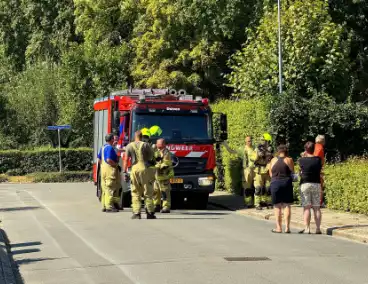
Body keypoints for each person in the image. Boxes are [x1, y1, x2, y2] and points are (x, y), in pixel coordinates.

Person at [123, 130, 156, 219]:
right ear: (141, 136)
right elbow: (152, 156)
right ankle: (150, 212)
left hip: (134, 169)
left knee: (135, 191)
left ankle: (137, 213)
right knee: (147, 190)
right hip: (144, 168)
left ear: (135, 136)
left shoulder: (129, 146)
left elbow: (125, 159)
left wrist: (124, 172)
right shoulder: (145, 145)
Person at [269, 144, 294, 233]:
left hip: (275, 183)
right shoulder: (289, 160)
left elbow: (271, 174)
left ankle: (279, 228)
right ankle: (287, 227)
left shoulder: (273, 160)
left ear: (278, 151)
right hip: (286, 183)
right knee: (287, 205)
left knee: (277, 206)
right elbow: (292, 172)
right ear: (286, 151)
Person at [299, 142, 323, 234]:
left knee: (306, 207)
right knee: (317, 207)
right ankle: (317, 228)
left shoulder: (302, 160)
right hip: (316, 183)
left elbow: (301, 170)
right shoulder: (318, 159)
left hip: (305, 183)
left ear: (305, 150)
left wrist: (303, 156)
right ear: (314, 149)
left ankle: (307, 228)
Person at [97, 133, 121, 213]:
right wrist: (115, 165)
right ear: (111, 140)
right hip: (109, 170)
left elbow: (99, 159)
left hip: (103, 169)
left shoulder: (103, 147)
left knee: (104, 188)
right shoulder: (110, 148)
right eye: (113, 139)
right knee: (110, 188)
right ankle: (109, 207)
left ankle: (104, 206)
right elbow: (108, 160)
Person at [252, 134, 273, 210]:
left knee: (268, 188)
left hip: (267, 170)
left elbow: (273, 159)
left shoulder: (270, 149)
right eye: (262, 140)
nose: (263, 142)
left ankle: (267, 202)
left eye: (265, 140)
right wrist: (258, 155)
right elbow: (253, 159)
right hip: (259, 170)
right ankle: (257, 204)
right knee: (258, 188)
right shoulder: (256, 149)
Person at [153, 138, 174, 213]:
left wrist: (156, 166)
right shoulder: (156, 151)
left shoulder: (166, 153)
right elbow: (153, 159)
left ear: (163, 144)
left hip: (164, 176)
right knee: (155, 191)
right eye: (157, 143)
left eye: (159, 143)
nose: (157, 144)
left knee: (165, 192)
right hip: (156, 176)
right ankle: (156, 205)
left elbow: (166, 164)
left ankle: (166, 207)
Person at [242, 136, 256, 208]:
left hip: (255, 169)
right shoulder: (244, 149)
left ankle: (255, 202)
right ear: (245, 142)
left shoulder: (254, 148)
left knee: (256, 187)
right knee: (247, 187)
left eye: (250, 141)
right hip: (247, 170)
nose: (250, 142)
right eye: (248, 141)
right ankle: (248, 203)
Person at [314, 135, 325, 206]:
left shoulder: (312, 146)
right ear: (322, 141)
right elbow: (319, 159)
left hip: (309, 169)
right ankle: (319, 202)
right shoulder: (320, 147)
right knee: (320, 186)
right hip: (317, 169)